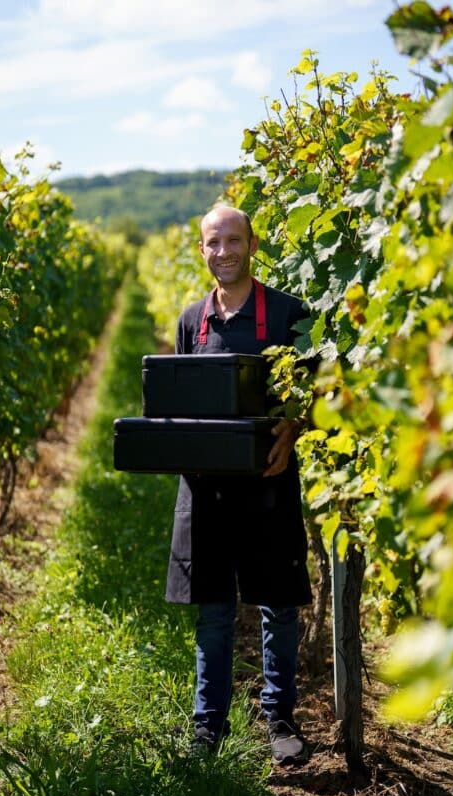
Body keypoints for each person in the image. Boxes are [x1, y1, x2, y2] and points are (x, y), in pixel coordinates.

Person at [166, 204, 312, 765]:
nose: (222, 251)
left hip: (269, 485)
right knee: (214, 608)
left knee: (277, 603)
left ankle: (279, 719)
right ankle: (209, 727)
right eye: (212, 242)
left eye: (232, 241)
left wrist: (293, 432)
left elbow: (313, 393)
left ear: (253, 244)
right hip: (206, 492)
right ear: (201, 249)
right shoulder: (190, 321)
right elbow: (178, 402)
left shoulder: (287, 314)